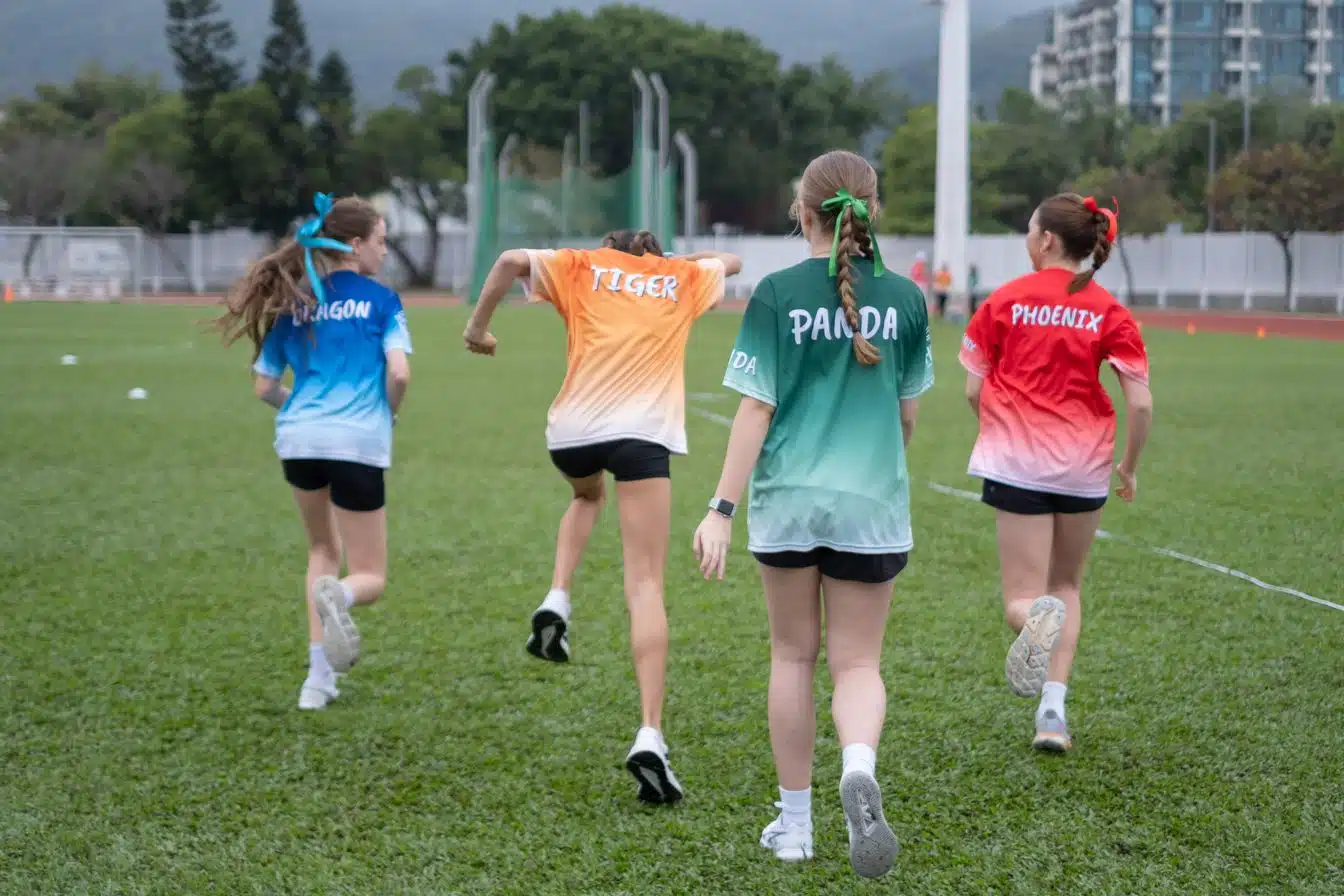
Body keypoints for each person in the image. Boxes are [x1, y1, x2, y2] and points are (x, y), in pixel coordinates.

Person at [692, 150, 933, 879]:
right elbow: (907, 418)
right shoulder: (908, 299)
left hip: (788, 505)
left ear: (802, 214)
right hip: (870, 507)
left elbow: (754, 410)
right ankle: (857, 766)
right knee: (857, 663)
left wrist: (720, 509)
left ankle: (795, 827)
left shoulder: (774, 293)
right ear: (872, 211)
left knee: (791, 657)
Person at [462, 228, 741, 804]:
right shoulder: (680, 276)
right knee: (645, 585)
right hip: (642, 434)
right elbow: (731, 260)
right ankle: (650, 734)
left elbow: (511, 258)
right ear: (654, 254)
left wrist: (477, 329)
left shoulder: (583, 265)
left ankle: (557, 596)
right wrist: (676, 262)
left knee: (587, 497)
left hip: (572, 433)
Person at [959, 193, 1153, 753]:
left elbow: (972, 388)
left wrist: (1002, 430)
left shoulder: (1004, 300)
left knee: (1022, 600)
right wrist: (1129, 466)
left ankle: (1033, 623)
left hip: (1017, 463)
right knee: (1066, 586)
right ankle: (1052, 714)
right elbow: (1140, 404)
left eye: (1029, 229)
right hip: (1084, 467)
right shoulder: (1108, 309)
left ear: (1045, 239)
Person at [215, 193, 412, 711]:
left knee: (322, 551)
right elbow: (399, 373)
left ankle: (317, 681)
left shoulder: (295, 302)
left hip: (299, 439)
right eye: (381, 241)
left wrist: (302, 408)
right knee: (369, 577)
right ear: (355, 245)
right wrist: (388, 413)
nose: (385, 251)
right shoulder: (382, 300)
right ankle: (339, 596)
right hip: (357, 440)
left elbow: (263, 387)